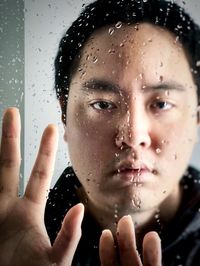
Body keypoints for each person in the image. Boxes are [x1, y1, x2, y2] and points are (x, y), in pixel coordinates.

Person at [1, 0, 200, 265]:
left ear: (196, 116)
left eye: (161, 104)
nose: (132, 135)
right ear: (65, 114)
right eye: (103, 104)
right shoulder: (10, 239)